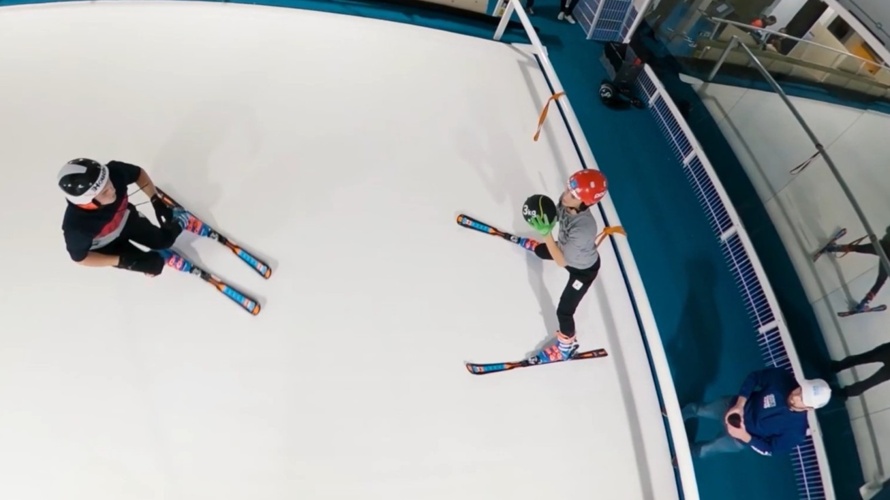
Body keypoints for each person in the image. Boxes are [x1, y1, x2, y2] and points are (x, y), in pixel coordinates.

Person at [58, 158, 207, 276]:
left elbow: (138, 173)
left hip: (127, 220)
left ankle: (180, 219)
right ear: (88, 203)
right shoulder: (76, 228)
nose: (112, 190)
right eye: (104, 192)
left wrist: (155, 199)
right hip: (106, 245)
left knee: (164, 241)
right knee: (154, 267)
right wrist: (121, 261)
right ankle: (159, 259)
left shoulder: (115, 173)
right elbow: (81, 258)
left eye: (108, 182)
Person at [522, 169, 607, 363]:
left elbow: (561, 261)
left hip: (582, 271)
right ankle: (540, 248)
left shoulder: (585, 228)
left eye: (573, 195)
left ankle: (566, 348)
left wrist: (545, 233)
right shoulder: (567, 202)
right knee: (541, 251)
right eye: (568, 189)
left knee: (564, 311)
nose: (565, 196)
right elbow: (556, 218)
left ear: (586, 202)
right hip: (566, 249)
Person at [682, 367, 831, 459]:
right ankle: (680, 413)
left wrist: (744, 436)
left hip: (739, 439)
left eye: (802, 399)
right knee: (700, 409)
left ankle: (687, 452)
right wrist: (740, 405)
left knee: (708, 449)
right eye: (800, 390)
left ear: (810, 408)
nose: (796, 396)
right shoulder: (783, 378)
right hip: (731, 406)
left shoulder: (796, 433)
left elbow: (770, 448)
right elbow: (755, 377)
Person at [825, 229, 890, 312]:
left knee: (858, 248)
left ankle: (832, 248)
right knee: (881, 280)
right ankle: (864, 303)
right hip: (887, 251)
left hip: (884, 246)